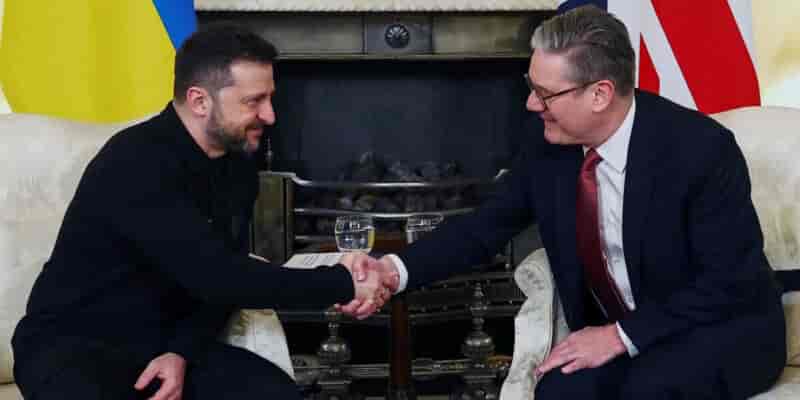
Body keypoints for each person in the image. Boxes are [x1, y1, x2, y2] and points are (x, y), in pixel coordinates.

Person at [343, 5, 786, 399]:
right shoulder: (549, 147)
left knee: (648, 388)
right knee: (559, 389)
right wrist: (392, 270)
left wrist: (618, 336)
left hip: (718, 329)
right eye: (531, 86)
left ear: (600, 94)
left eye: (546, 93)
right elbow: (483, 228)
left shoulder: (701, 150)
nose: (531, 104)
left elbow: (728, 283)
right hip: (626, 337)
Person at [12, 24, 392, 400]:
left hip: (161, 346)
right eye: (254, 101)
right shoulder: (134, 162)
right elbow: (221, 277)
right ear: (199, 101)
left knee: (273, 392)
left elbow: (219, 280)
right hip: (73, 348)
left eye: (270, 98)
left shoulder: (238, 167)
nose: (270, 115)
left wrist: (181, 351)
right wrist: (343, 283)